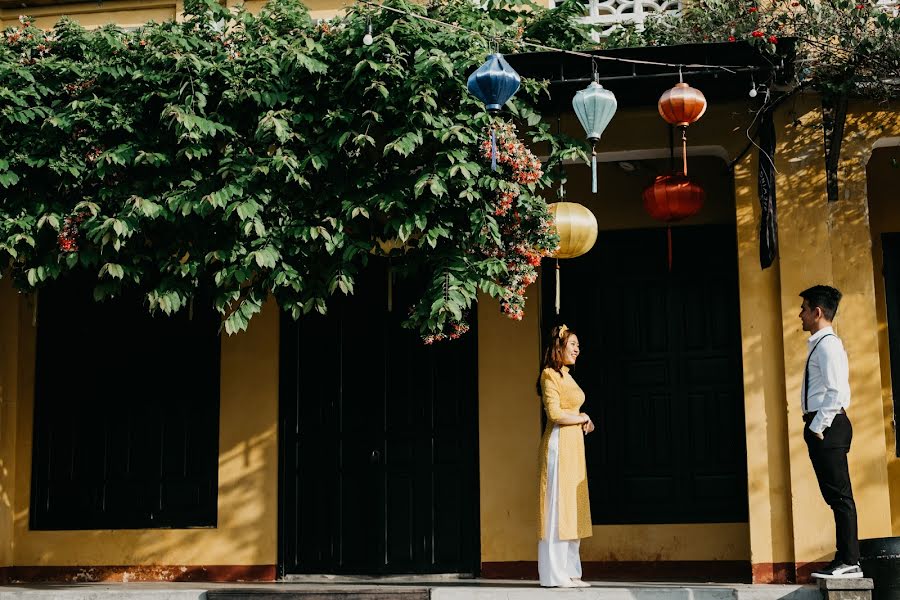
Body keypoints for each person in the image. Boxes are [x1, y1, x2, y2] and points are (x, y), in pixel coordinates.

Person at [798, 285, 863, 579]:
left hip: (829, 426)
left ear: (817, 312)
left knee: (840, 497)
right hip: (824, 426)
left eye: (804, 308)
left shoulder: (828, 346)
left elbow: (837, 391)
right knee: (835, 496)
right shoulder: (820, 344)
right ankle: (845, 559)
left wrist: (817, 426)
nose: (800, 315)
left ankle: (850, 561)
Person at [537, 324, 594, 587]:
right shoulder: (549, 375)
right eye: (573, 344)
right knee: (558, 508)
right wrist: (580, 416)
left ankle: (571, 572)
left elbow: (571, 411)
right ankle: (555, 573)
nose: (577, 349)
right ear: (558, 347)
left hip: (574, 447)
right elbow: (556, 415)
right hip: (558, 446)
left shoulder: (567, 376)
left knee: (573, 506)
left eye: (578, 346)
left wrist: (585, 420)